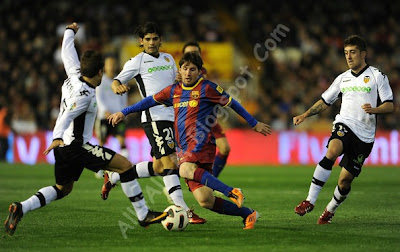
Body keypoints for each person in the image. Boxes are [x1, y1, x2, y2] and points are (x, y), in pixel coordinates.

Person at [4, 23, 167, 236]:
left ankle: (21, 207)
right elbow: (67, 115)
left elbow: (66, 53)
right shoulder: (85, 95)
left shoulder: (73, 76)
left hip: (64, 148)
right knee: (125, 166)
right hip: (75, 146)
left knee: (63, 189)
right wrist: (56, 136)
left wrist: (69, 32)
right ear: (99, 72)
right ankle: (143, 214)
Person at [108, 52, 272, 229]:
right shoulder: (174, 90)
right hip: (184, 148)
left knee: (183, 168)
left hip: (202, 144)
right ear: (179, 70)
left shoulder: (208, 88)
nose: (188, 73)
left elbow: (233, 103)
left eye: (192, 69)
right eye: (185, 69)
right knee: (205, 200)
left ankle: (231, 191)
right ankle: (248, 213)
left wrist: (253, 123)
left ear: (199, 71)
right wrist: (123, 112)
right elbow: (148, 101)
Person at [102, 22, 205, 224]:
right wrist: (117, 87)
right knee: (170, 162)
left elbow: (176, 85)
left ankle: (113, 177)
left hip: (172, 117)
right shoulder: (137, 61)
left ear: (160, 40)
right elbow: (116, 80)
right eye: (147, 39)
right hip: (154, 117)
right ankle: (183, 210)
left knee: (159, 166)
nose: (151, 42)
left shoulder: (168, 59)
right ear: (141, 41)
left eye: (155, 38)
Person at [293, 35, 394, 224]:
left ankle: (330, 209)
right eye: (346, 53)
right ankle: (309, 200)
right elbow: (325, 102)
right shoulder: (342, 79)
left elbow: (390, 106)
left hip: (365, 136)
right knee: (332, 150)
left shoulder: (377, 76)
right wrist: (305, 114)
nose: (349, 57)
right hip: (344, 124)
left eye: (353, 52)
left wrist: (375, 109)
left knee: (344, 181)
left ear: (363, 54)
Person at [181, 42, 230, 178]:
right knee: (184, 159)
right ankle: (172, 187)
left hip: (207, 119)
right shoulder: (179, 74)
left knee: (225, 148)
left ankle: (212, 182)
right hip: (188, 120)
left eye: (195, 53)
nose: (192, 55)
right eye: (188, 53)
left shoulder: (203, 72)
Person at [94, 55, 128, 179]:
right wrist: (104, 111)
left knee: (121, 140)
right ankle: (98, 168)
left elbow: (124, 97)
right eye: (109, 64)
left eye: (113, 64)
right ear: (105, 66)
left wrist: (124, 112)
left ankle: (127, 166)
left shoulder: (120, 80)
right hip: (104, 116)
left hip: (117, 115)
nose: (112, 66)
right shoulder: (101, 81)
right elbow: (98, 97)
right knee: (102, 142)